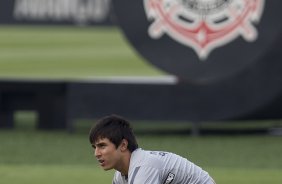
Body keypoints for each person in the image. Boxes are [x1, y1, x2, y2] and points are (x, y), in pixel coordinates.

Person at [89, 114, 216, 184]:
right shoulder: (120, 175)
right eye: (94, 147)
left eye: (102, 146)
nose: (96, 153)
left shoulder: (144, 167)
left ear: (123, 145)